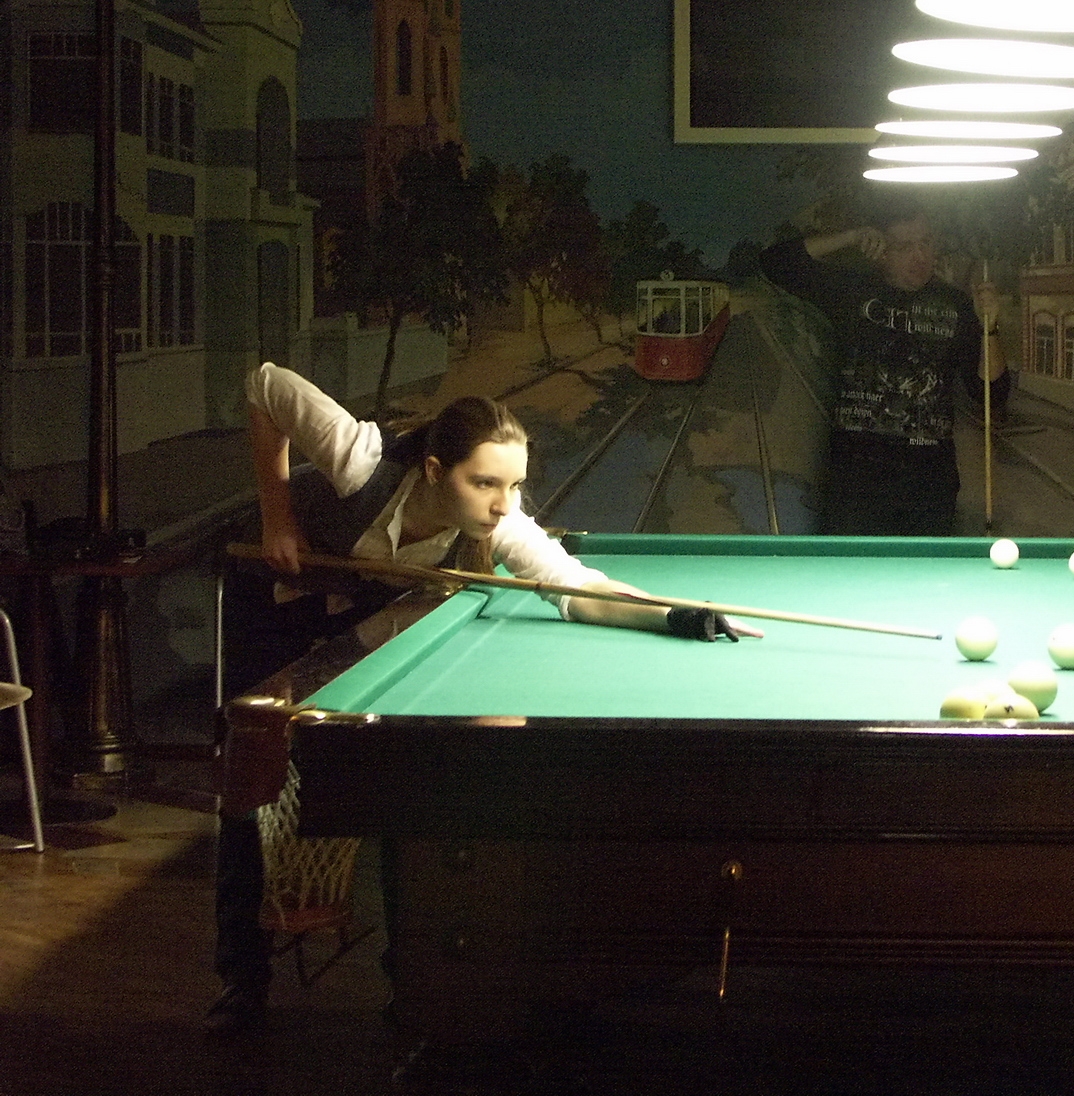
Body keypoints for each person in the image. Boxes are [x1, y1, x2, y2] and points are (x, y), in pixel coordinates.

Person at [206, 362, 758, 1036]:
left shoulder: (502, 527)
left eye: (515, 485)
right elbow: (265, 385)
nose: (503, 504)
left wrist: (675, 615)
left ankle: (407, 984)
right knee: (252, 776)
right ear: (435, 471)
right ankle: (241, 981)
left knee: (391, 780)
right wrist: (278, 518)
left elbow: (579, 589)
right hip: (272, 589)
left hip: (357, 611)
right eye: (486, 483)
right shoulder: (361, 459)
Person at [760, 198, 1011, 535]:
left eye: (925, 242)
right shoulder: (852, 290)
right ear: (880, 252)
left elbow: (991, 393)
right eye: (905, 247)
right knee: (851, 567)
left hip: (929, 478)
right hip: (857, 473)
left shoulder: (957, 304)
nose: (920, 256)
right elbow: (776, 262)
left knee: (921, 569)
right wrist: (851, 236)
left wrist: (989, 329)